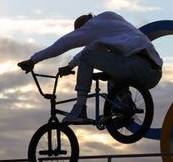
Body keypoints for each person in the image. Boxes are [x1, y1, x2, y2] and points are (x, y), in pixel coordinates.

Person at [18, 11, 162, 123]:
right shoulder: (110, 20)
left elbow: (65, 44)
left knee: (88, 56)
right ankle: (124, 107)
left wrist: (33, 60)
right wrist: (70, 66)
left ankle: (80, 107)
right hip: (153, 72)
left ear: (84, 27)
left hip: (138, 65)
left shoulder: (93, 26)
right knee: (110, 72)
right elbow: (91, 47)